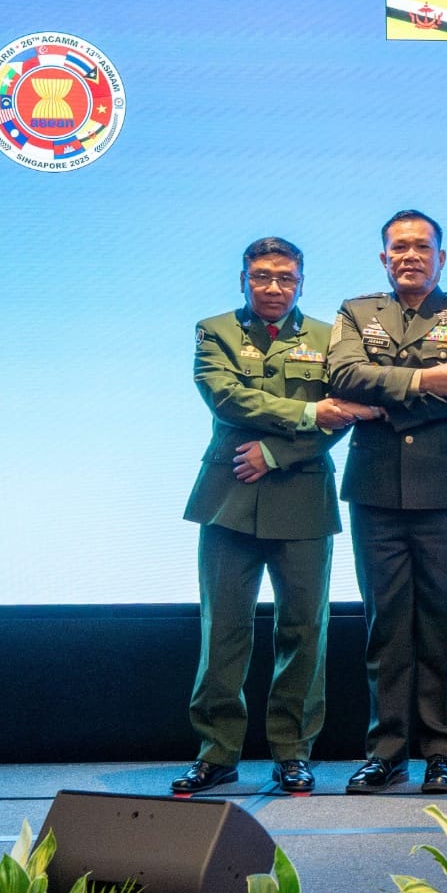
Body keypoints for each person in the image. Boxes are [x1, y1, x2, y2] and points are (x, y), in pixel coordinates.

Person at [177, 237, 379, 795]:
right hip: (228, 499)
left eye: (285, 278)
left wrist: (277, 451)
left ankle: (293, 752)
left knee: (303, 631)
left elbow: (345, 418)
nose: (273, 287)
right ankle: (216, 753)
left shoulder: (330, 337)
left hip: (302, 495)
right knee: (223, 631)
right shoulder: (214, 330)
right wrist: (309, 411)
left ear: (301, 282)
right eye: (262, 276)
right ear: (242, 278)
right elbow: (226, 398)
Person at [327, 210, 447, 795]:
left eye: (422, 247)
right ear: (383, 257)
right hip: (376, 489)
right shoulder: (356, 312)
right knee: (386, 626)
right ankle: (386, 751)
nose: (410, 256)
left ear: (441, 258)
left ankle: (443, 750)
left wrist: (387, 393)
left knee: (446, 624)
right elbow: (344, 375)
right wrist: (424, 380)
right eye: (398, 248)